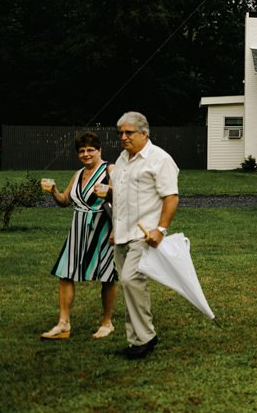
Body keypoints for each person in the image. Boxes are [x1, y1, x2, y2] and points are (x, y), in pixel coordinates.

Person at [110, 111, 179, 360]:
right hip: (121, 235)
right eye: (121, 133)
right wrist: (113, 229)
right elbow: (120, 198)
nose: (124, 137)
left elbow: (171, 196)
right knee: (129, 286)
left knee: (131, 281)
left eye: (129, 133)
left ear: (144, 133)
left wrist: (160, 230)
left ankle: (146, 337)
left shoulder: (159, 159)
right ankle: (135, 340)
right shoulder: (121, 160)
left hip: (144, 235)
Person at [40, 131, 118, 341]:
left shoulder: (110, 169)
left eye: (90, 150)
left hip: (103, 229)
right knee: (65, 274)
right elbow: (65, 200)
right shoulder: (78, 174)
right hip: (78, 230)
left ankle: (107, 322)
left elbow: (125, 197)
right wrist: (54, 190)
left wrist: (109, 194)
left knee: (107, 277)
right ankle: (63, 324)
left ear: (99, 150)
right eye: (82, 151)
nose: (86, 154)